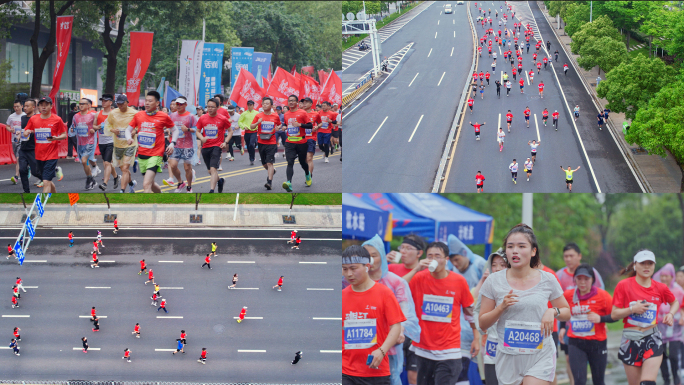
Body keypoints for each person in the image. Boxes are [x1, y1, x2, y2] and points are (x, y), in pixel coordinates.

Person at [479, 224, 571, 385]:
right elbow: (482, 323)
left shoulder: (547, 279)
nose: (515, 251)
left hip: (540, 354)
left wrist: (552, 311)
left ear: (533, 251)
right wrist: (501, 308)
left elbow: (566, 311)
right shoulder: (494, 281)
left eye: (521, 246)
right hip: (508, 357)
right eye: (510, 246)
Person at [343, 235, 421, 385]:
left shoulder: (393, 284)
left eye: (374, 255)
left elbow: (404, 315)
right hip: (352, 361)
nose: (371, 260)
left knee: (393, 379)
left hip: (387, 350)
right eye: (367, 255)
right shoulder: (347, 285)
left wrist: (400, 331)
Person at [407, 241, 479, 385]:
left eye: (437, 256)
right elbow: (397, 290)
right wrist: (416, 269)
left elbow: (469, 311)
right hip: (424, 349)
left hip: (450, 351)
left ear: (446, 260)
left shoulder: (458, 281)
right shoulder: (419, 278)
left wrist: (476, 338)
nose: (433, 259)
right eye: (430, 256)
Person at [611, 250, 680, 385]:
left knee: (647, 383)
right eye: (643, 263)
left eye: (650, 263)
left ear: (654, 266)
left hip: (652, 338)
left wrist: (671, 314)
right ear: (635, 265)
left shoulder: (660, 287)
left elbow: (675, 302)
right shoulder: (623, 285)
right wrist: (632, 309)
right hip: (630, 339)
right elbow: (614, 314)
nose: (647, 266)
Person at [561, 263, 614, 385]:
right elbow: (562, 310)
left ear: (593, 280)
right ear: (575, 280)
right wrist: (563, 327)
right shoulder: (568, 295)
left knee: (598, 381)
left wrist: (600, 319)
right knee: (579, 381)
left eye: (586, 279)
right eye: (579, 279)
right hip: (576, 342)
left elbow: (615, 316)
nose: (582, 282)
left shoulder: (603, 296)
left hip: (597, 343)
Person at [472, 248, 508, 385]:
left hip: (513, 349)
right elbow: (476, 311)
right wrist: (482, 328)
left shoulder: (519, 286)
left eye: (502, 264)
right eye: (494, 265)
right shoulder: (488, 286)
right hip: (492, 349)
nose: (497, 269)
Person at [24, 96, 66, 193]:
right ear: (38, 107)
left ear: (51, 106)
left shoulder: (57, 119)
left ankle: (43, 205)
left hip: (52, 155)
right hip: (39, 155)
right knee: (47, 180)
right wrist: (26, 132)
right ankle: (56, 197)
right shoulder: (33, 119)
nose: (43, 107)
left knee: (46, 181)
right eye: (41, 105)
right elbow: (26, 130)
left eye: (46, 105)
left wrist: (56, 138)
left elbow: (64, 135)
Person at [653, 264, 684, 385]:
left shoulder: (678, 291)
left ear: (672, 277)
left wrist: (682, 317)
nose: (664, 278)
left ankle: (676, 376)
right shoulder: (656, 289)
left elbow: (682, 306)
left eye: (666, 276)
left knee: (674, 355)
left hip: (675, 328)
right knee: (661, 356)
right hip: (660, 327)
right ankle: (666, 379)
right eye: (662, 276)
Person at [196, 98, 231, 193]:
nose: (209, 109)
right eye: (208, 107)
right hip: (206, 147)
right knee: (210, 171)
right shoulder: (203, 118)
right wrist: (202, 138)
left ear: (217, 107)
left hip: (217, 146)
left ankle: (211, 190)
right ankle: (220, 181)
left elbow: (230, 131)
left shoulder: (223, 119)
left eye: (212, 107)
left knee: (213, 169)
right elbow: (198, 131)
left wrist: (225, 142)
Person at [106, 95, 139, 191]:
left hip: (130, 144)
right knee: (123, 169)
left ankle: (122, 190)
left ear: (127, 102)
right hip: (118, 144)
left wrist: (135, 131)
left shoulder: (134, 113)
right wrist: (112, 130)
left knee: (125, 168)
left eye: (122, 104)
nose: (120, 106)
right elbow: (107, 125)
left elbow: (140, 124)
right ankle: (131, 183)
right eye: (118, 104)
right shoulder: (113, 113)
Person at [282, 95, 313, 192]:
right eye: (289, 101)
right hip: (289, 142)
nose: (291, 102)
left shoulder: (302, 113)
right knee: (290, 162)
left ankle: (307, 174)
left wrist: (300, 125)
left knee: (302, 162)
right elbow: (286, 123)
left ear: (297, 102)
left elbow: (310, 125)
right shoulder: (286, 114)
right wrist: (283, 126)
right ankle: (288, 183)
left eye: (293, 101)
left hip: (301, 142)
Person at [166, 97, 198, 193]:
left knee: (187, 168)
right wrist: (169, 134)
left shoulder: (191, 116)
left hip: (188, 145)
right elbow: (170, 127)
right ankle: (180, 182)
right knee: (173, 165)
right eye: (177, 104)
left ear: (185, 105)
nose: (178, 106)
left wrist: (188, 129)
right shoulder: (172, 115)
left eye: (180, 104)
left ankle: (189, 186)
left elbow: (197, 129)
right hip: (175, 145)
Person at [250, 97, 281, 190]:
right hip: (261, 142)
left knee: (270, 162)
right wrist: (257, 123)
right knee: (264, 164)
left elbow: (279, 124)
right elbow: (251, 126)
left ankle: (269, 182)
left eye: (267, 103)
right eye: (263, 103)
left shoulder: (275, 116)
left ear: (271, 106)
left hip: (271, 142)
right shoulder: (258, 116)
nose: (265, 105)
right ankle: (272, 171)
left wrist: (278, 128)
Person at [96, 94, 119, 190]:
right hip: (101, 141)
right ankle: (116, 177)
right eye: (102, 101)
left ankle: (105, 183)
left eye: (105, 101)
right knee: (108, 163)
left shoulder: (114, 114)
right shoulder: (97, 114)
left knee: (106, 163)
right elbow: (94, 126)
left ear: (110, 102)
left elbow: (118, 128)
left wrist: (113, 130)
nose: (103, 102)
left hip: (111, 141)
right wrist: (96, 128)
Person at [6, 99, 25, 184]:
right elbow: (7, 126)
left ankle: (16, 176)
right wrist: (10, 129)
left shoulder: (25, 116)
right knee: (18, 159)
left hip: (24, 140)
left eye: (18, 106)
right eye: (15, 107)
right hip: (14, 140)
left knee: (18, 158)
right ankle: (26, 168)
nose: (16, 108)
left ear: (22, 106)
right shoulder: (11, 116)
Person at [238, 100, 259, 166]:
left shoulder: (257, 113)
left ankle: (252, 158)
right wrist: (243, 127)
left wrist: (257, 126)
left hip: (254, 131)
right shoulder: (244, 114)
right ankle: (251, 157)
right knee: (249, 146)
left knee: (251, 144)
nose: (249, 106)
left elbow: (259, 121)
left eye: (251, 105)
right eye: (248, 105)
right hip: (247, 132)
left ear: (253, 105)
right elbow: (240, 122)